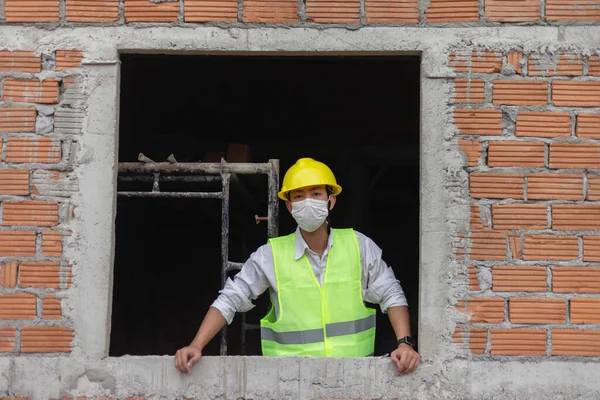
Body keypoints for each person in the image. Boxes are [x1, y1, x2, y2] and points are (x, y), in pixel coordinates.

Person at [174, 157, 420, 375]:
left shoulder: (359, 246)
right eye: (299, 196)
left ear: (330, 201)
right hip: (290, 383)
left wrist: (405, 343)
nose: (307, 202)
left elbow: (391, 292)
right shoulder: (271, 255)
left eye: (316, 194)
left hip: (353, 380)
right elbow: (230, 298)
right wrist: (196, 344)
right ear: (290, 206)